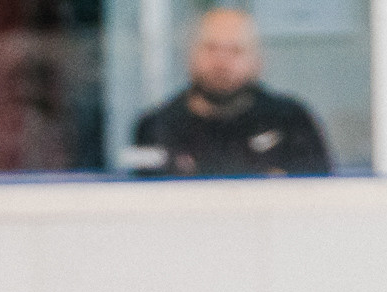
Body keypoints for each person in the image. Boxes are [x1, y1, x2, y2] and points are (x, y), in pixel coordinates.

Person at [131, 9, 330, 178]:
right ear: (189, 54)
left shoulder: (290, 121)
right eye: (210, 48)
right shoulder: (157, 126)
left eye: (236, 50)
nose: (221, 62)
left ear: (258, 61)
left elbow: (320, 200)